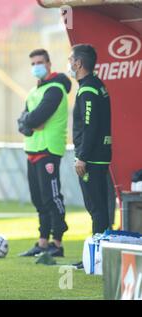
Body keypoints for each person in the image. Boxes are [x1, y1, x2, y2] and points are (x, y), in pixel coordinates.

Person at [17, 49, 71, 257]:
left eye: (39, 62)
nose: (36, 67)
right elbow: (24, 120)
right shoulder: (34, 91)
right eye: (32, 63)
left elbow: (36, 117)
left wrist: (30, 122)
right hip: (32, 149)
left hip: (49, 149)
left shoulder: (56, 89)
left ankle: (57, 243)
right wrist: (30, 123)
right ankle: (42, 242)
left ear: (49, 64)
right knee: (38, 199)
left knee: (51, 197)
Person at [70, 44, 112, 235]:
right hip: (98, 155)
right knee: (99, 207)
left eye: (71, 59)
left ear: (78, 63)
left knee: (96, 208)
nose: (69, 63)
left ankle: (98, 255)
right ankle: (100, 251)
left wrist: (82, 157)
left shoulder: (88, 90)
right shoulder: (96, 84)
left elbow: (90, 126)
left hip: (92, 158)